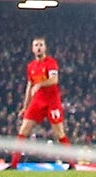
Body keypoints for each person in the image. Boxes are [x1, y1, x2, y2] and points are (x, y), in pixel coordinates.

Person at [13, 36, 72, 165]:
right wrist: (25, 106)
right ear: (32, 49)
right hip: (37, 101)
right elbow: (29, 87)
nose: (38, 48)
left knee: (59, 133)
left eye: (41, 45)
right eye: (36, 45)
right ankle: (13, 164)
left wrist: (39, 84)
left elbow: (54, 80)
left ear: (45, 48)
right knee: (23, 130)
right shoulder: (31, 66)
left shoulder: (51, 62)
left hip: (52, 101)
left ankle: (72, 164)